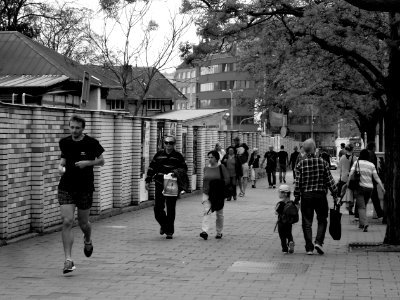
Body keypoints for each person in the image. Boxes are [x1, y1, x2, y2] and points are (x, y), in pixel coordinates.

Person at [58, 115, 105, 274]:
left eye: (77, 128)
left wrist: (88, 163)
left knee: (83, 222)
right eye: (71, 127)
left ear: (83, 128)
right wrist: (60, 166)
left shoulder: (91, 143)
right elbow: (64, 158)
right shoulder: (64, 142)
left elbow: (101, 161)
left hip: (84, 187)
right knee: (67, 221)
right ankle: (68, 260)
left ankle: (87, 239)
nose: (74, 130)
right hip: (66, 187)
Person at [294, 138, 338, 255]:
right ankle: (319, 242)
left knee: (307, 222)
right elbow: (330, 181)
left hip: (306, 196)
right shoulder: (323, 163)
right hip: (320, 196)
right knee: (322, 219)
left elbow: (298, 183)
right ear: (314, 148)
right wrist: (335, 194)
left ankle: (309, 247)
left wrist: (297, 197)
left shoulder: (300, 164)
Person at [145, 135, 188, 240]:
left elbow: (184, 168)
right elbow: (152, 167)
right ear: (164, 143)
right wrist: (148, 180)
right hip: (159, 183)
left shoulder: (178, 156)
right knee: (158, 208)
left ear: (174, 144)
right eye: (166, 143)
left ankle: (169, 231)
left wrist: (175, 173)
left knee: (170, 207)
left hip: (172, 183)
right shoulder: (158, 155)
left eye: (171, 143)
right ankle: (164, 225)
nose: (168, 145)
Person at [347, 149, 385, 232]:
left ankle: (365, 223)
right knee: (364, 205)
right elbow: (376, 177)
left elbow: (351, 174)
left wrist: (347, 184)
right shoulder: (371, 165)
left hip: (359, 188)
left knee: (361, 207)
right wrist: (382, 187)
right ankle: (361, 224)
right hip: (369, 188)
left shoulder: (357, 163)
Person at [200, 151, 230, 240]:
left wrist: (217, 184)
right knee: (207, 211)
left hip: (218, 194)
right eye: (208, 157)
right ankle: (204, 231)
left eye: (211, 157)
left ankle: (219, 232)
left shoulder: (221, 167)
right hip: (207, 193)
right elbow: (204, 180)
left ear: (216, 158)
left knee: (219, 213)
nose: (209, 159)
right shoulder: (206, 168)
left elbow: (227, 179)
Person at [275, 184, 295, 254]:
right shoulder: (292, 203)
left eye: (280, 192)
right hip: (289, 222)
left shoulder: (281, 204)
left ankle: (284, 248)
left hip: (281, 222)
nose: (279, 194)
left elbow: (276, 212)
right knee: (289, 234)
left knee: (282, 235)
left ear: (285, 194)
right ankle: (290, 241)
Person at [366, 142, 384, 219]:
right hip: (371, 179)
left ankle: (358, 214)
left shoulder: (367, 153)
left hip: (366, 178)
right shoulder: (372, 154)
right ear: (373, 147)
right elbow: (373, 167)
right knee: (374, 197)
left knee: (364, 197)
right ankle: (379, 213)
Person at [337, 144, 355, 214]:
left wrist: (340, 177)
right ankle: (350, 210)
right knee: (351, 194)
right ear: (352, 149)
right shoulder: (354, 158)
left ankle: (337, 207)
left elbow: (340, 168)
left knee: (340, 194)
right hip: (351, 179)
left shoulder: (342, 157)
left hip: (343, 178)